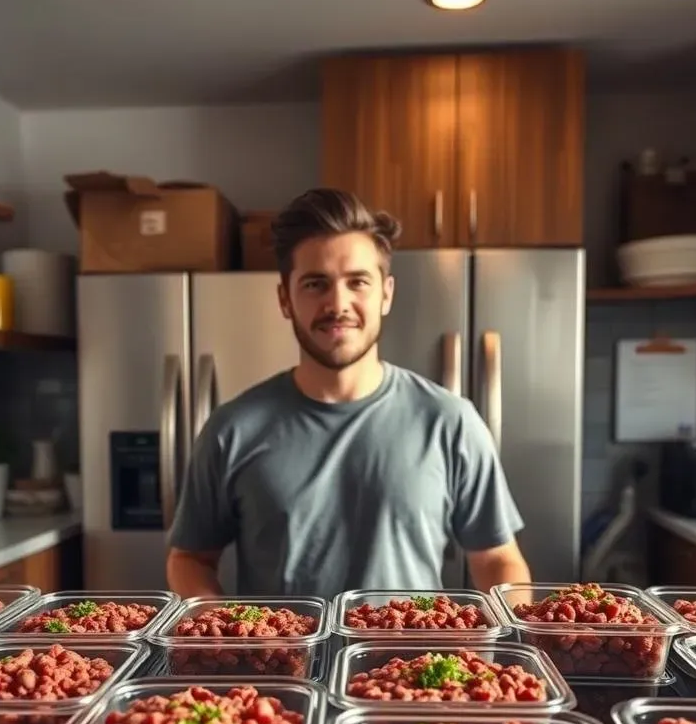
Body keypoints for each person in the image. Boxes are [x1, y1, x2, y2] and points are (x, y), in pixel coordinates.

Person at [166, 187, 532, 599]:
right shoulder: (232, 429)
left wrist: (506, 642)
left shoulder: (450, 422)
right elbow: (190, 559)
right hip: (283, 665)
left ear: (386, 294)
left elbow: (497, 558)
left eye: (357, 282)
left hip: (413, 664)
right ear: (285, 298)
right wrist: (223, 632)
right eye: (315, 284)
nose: (337, 303)